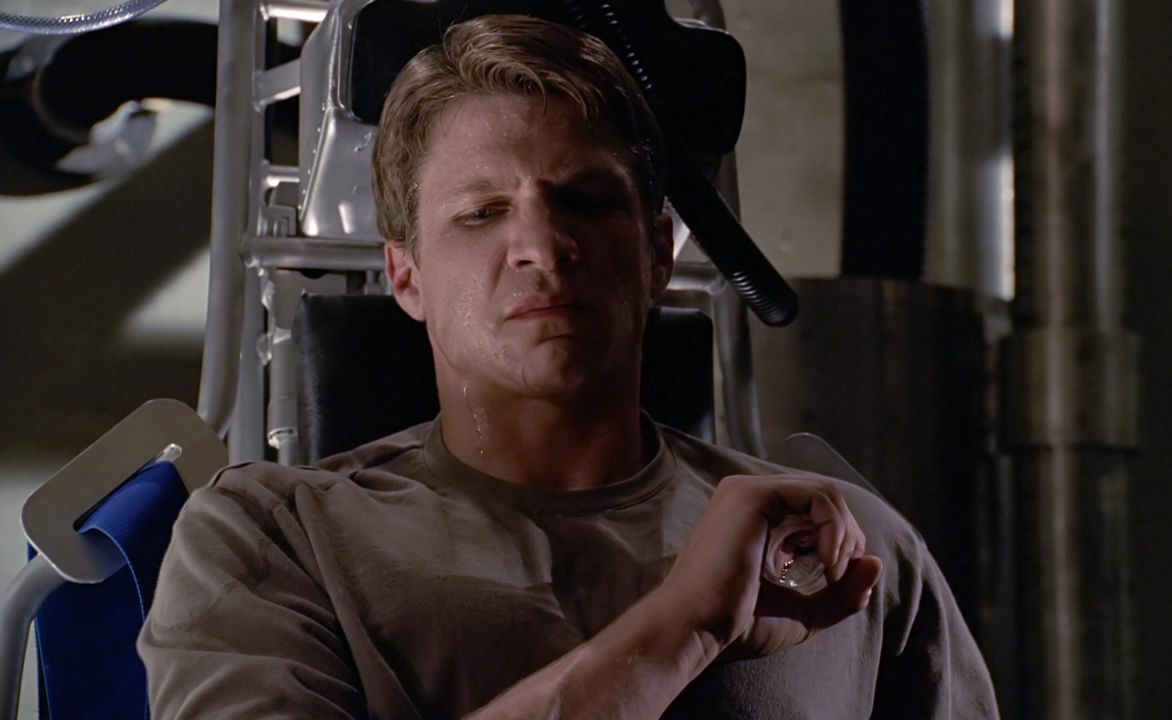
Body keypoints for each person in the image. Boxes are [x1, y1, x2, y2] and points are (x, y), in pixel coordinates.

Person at [138, 14, 998, 719]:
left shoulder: (856, 557)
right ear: (406, 275)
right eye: (483, 213)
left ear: (658, 252)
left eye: (585, 200)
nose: (543, 247)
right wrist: (679, 628)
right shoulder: (271, 540)